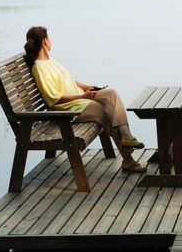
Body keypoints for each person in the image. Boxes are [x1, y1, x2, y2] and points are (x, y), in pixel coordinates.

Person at [24, 26, 146, 173]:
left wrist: (86, 87)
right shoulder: (39, 68)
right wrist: (82, 96)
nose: (51, 41)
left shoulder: (51, 61)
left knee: (111, 94)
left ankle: (127, 135)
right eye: (49, 38)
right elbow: (53, 98)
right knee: (105, 112)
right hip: (69, 109)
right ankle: (128, 160)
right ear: (44, 41)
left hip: (81, 99)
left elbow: (70, 80)